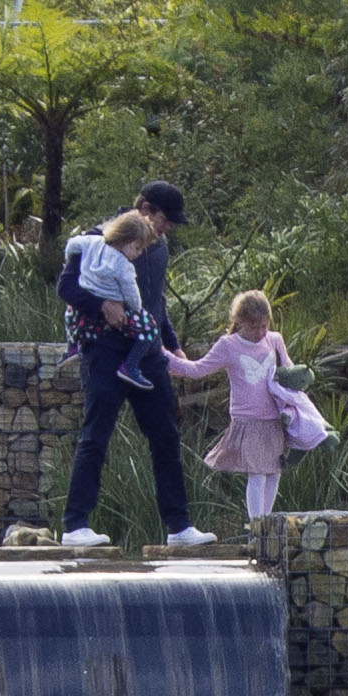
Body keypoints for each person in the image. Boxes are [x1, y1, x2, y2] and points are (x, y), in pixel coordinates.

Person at [57, 179, 210, 553]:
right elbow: (65, 287)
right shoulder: (101, 239)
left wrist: (173, 345)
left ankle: (179, 526)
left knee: (165, 435)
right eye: (164, 218)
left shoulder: (158, 249)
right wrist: (101, 306)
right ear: (143, 208)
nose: (168, 226)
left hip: (147, 350)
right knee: (97, 433)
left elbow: (154, 301)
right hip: (104, 348)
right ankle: (75, 525)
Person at [166, 290, 333, 530]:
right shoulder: (228, 345)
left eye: (264, 325)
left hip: (274, 418)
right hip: (248, 419)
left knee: (274, 471)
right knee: (257, 472)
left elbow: (288, 372)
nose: (260, 332)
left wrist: (302, 378)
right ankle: (257, 525)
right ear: (240, 322)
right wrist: (165, 356)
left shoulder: (274, 340)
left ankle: (266, 523)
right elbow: (197, 369)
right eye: (254, 327)